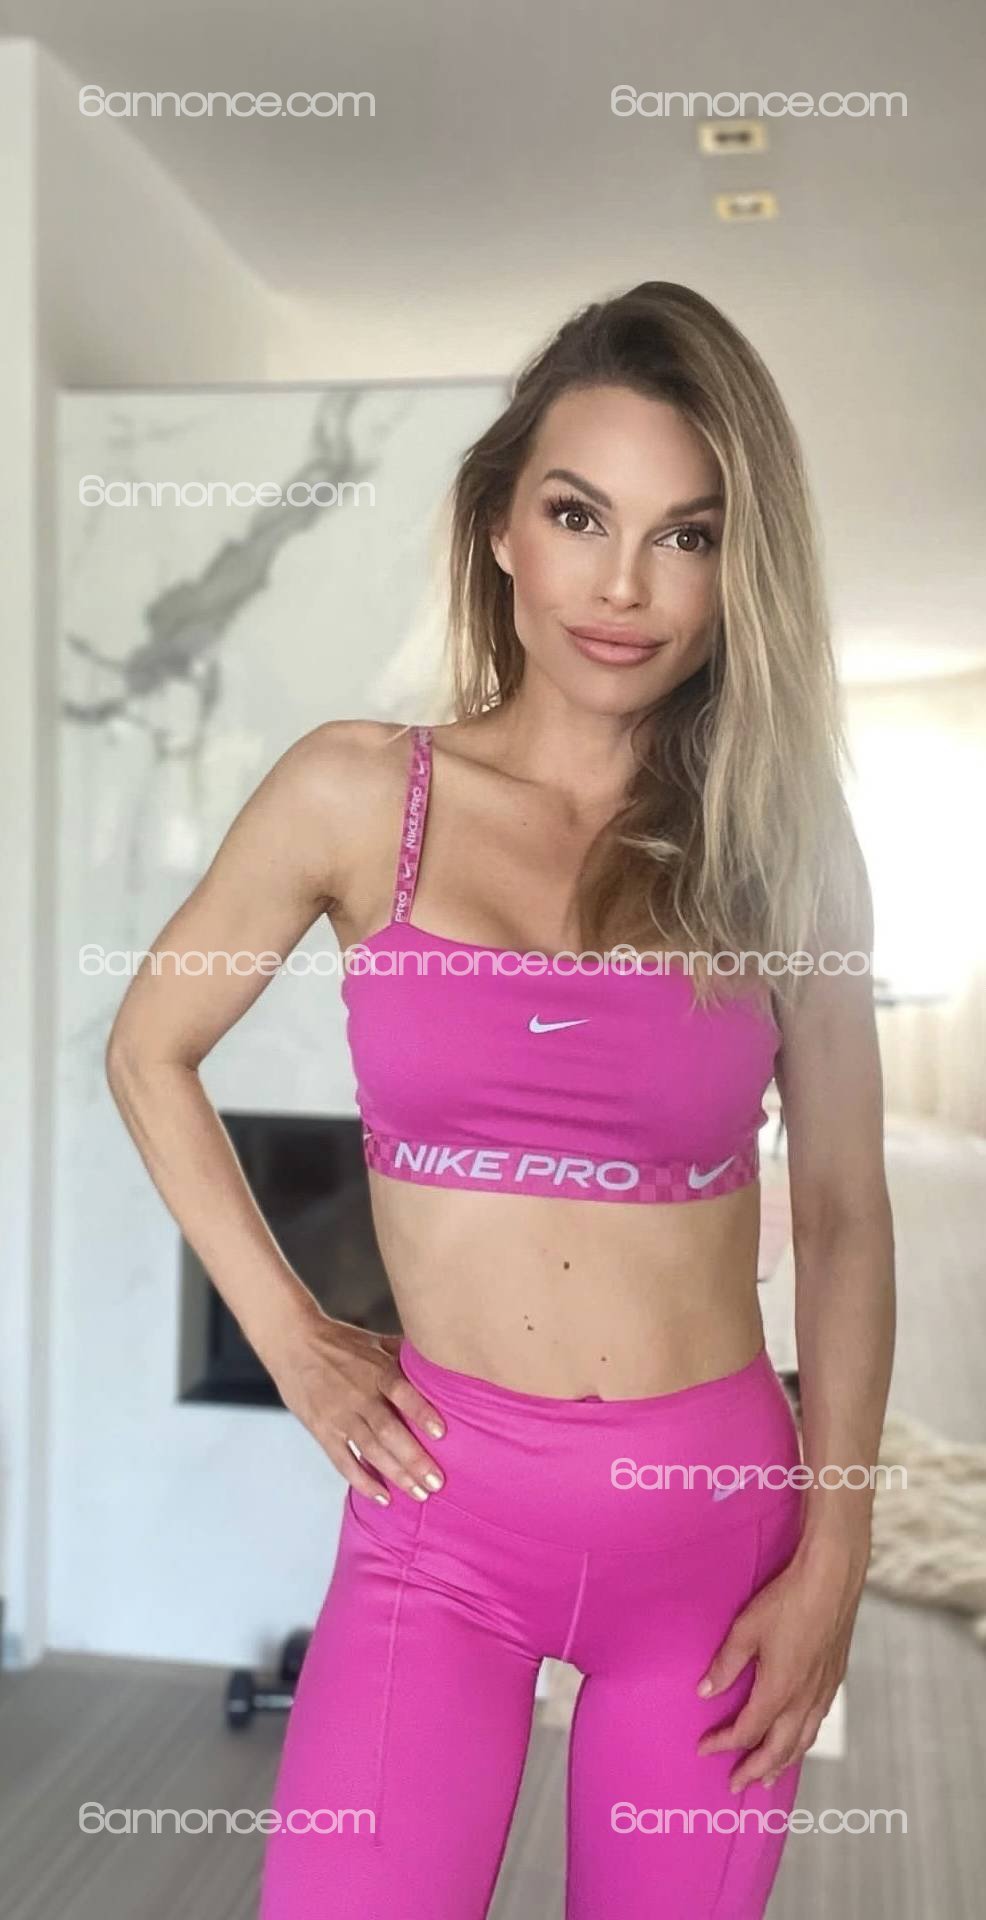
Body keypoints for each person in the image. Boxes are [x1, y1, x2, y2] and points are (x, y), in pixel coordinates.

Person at [105, 281, 895, 1919]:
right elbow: (148, 1048)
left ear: (737, 566)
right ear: (498, 529)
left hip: (716, 1536)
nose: (623, 587)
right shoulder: (354, 792)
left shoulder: (780, 837)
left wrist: (834, 1556)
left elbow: (838, 1213)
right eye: (577, 515)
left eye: (685, 535)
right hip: (437, 1527)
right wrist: (295, 1341)